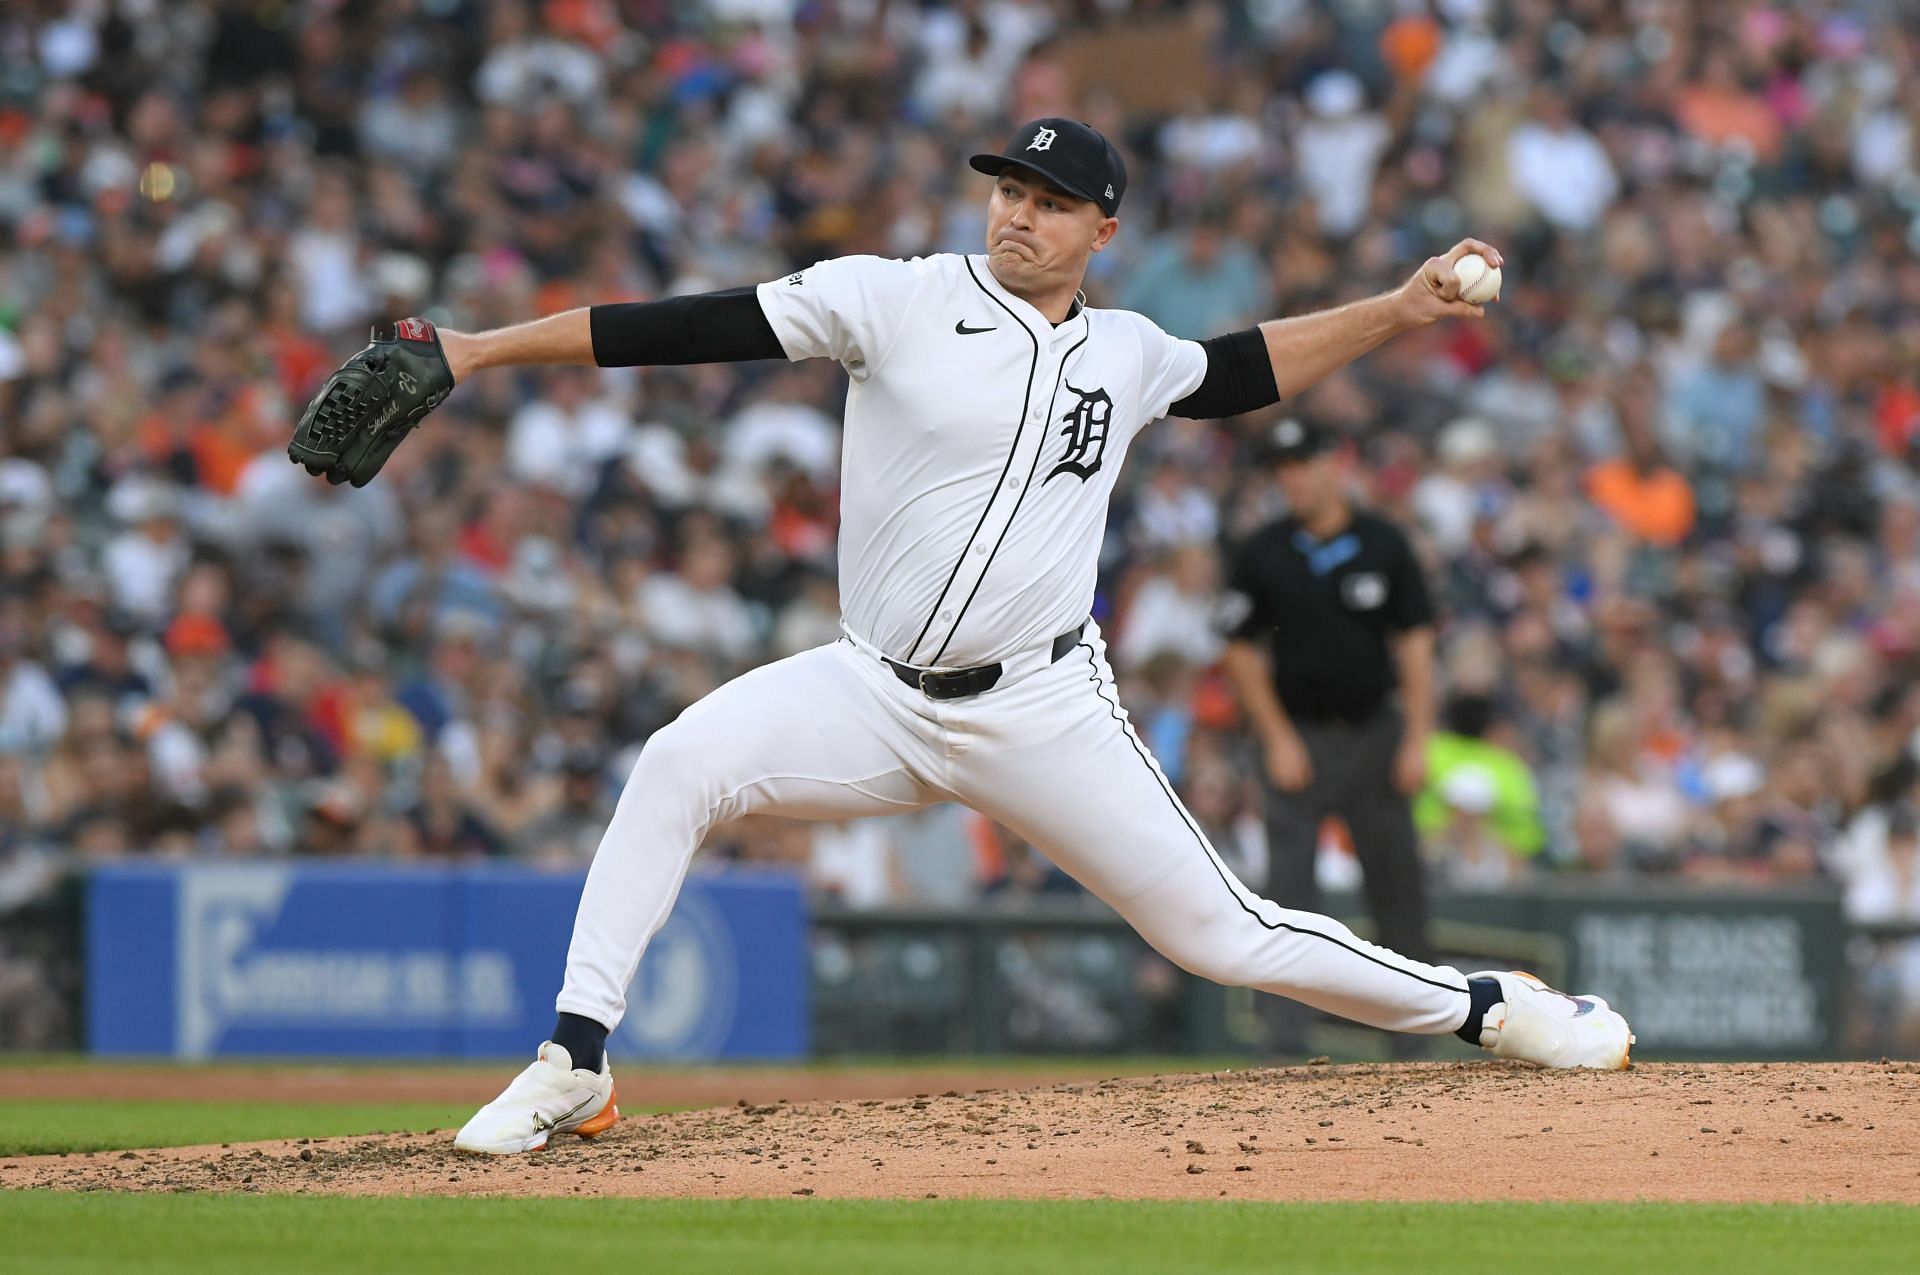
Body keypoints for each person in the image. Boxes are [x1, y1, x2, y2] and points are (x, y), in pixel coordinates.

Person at [293, 118, 1632, 1156]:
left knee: (1226, 935)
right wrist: (477, 349)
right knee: (680, 759)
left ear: (1103, 226)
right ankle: (576, 1056)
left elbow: (1241, 370)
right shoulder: (894, 295)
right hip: (872, 689)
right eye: (1005, 188)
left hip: (1044, 709)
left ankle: (1490, 1006)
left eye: (1049, 201)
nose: (1017, 213)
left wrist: (1399, 312)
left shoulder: (1126, 349)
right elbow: (682, 328)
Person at [1220, 418, 1441, 1057]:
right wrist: (1276, 737)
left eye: (1302, 464)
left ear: (1333, 465)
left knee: (1397, 887)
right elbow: (1239, 650)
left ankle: (1414, 1043)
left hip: (1375, 733)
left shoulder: (1383, 543)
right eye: (1281, 468)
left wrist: (1417, 738)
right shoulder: (1262, 550)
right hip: (1299, 737)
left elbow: (1417, 645)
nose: (1291, 478)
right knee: (1289, 897)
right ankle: (1285, 1044)